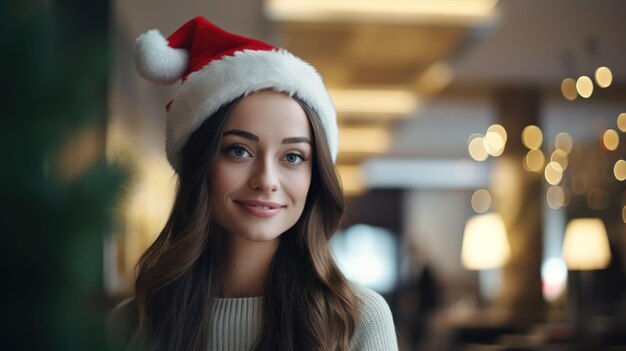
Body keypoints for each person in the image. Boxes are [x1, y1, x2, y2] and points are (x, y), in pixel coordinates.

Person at [108, 16, 398, 351]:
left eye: (292, 157)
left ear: (313, 175)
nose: (266, 180)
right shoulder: (131, 324)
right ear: (200, 164)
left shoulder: (358, 318)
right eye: (239, 150)